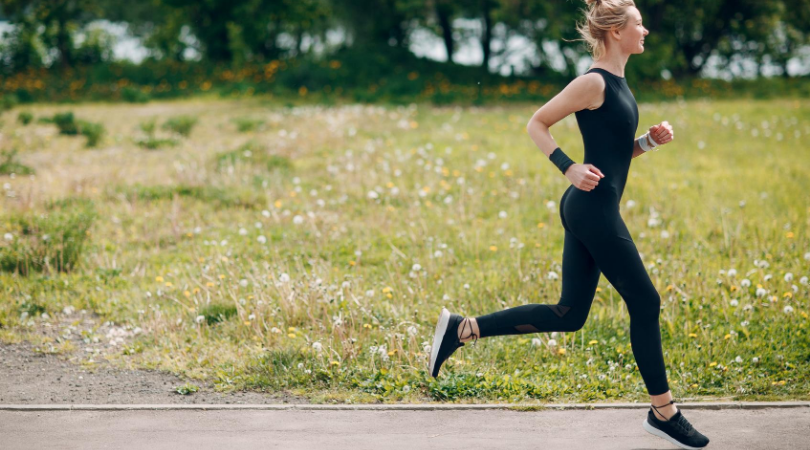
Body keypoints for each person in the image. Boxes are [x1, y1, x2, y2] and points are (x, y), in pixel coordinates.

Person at [428, 0, 710, 448]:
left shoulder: (617, 81)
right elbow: (537, 123)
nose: (646, 32)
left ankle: (462, 329)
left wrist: (646, 143)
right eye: (639, 25)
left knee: (571, 314)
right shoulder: (593, 81)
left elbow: (613, 155)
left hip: (593, 205)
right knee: (646, 300)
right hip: (591, 207)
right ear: (616, 31)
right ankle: (664, 412)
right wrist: (568, 167)